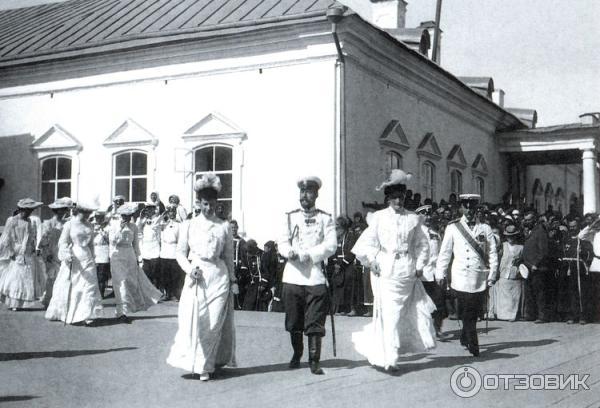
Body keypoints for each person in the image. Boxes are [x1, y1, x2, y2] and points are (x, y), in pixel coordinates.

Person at [351, 170, 435, 371]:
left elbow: (423, 245)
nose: (398, 201)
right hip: (385, 271)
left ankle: (394, 350)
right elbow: (366, 244)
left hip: (406, 270)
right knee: (390, 314)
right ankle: (390, 358)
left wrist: (420, 265)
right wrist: (373, 260)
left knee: (404, 314)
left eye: (401, 197)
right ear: (388, 199)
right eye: (394, 197)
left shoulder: (413, 219)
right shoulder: (378, 218)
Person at [166, 173, 237, 381]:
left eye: (212, 204)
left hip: (219, 277)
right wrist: (190, 269)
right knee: (195, 321)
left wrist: (232, 281)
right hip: (196, 277)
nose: (209, 208)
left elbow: (228, 257)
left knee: (214, 323)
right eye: (205, 204)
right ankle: (198, 361)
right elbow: (179, 253)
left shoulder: (224, 226)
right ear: (199, 203)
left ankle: (205, 366)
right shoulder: (188, 224)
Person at [277, 176, 337, 375]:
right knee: (294, 321)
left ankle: (314, 360)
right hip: (293, 275)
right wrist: (289, 252)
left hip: (314, 276)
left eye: (308, 192)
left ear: (316, 194)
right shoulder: (289, 216)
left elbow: (331, 245)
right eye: (302, 192)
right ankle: (297, 353)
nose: (304, 195)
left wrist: (310, 255)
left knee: (315, 320)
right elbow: (282, 242)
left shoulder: (325, 218)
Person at [436, 194, 498, 357]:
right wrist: (440, 273)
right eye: (466, 207)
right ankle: (473, 341)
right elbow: (445, 253)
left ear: (476, 209)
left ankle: (465, 334)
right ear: (461, 208)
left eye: (472, 207)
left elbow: (492, 252)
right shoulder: (453, 227)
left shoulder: (485, 228)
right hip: (461, 276)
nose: (469, 211)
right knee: (466, 309)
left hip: (478, 275)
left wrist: (492, 273)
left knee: (473, 310)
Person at [45, 200, 103, 325]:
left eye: (89, 213)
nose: (87, 215)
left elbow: (91, 244)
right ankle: (72, 313)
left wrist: (94, 258)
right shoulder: (69, 224)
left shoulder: (90, 225)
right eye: (85, 213)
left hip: (87, 257)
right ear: (78, 211)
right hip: (74, 257)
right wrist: (66, 254)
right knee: (75, 286)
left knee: (89, 285)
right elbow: (63, 242)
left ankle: (87, 314)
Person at [109, 203, 162, 323]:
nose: (126, 218)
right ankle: (121, 312)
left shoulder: (134, 227)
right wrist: (120, 229)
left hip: (130, 255)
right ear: (121, 215)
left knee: (130, 283)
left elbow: (136, 245)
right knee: (120, 283)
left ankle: (125, 309)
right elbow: (112, 241)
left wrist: (139, 258)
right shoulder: (114, 226)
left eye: (129, 216)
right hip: (117, 256)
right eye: (124, 216)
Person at [0, 198, 45, 310]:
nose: (30, 213)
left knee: (26, 277)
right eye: (28, 210)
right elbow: (6, 238)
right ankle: (14, 302)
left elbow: (30, 237)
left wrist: (34, 247)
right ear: (22, 209)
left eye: (31, 210)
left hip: (28, 252)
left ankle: (20, 302)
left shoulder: (29, 221)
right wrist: (11, 252)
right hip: (17, 251)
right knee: (16, 277)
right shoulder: (12, 220)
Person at [416, 205, 449, 340]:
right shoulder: (415, 234)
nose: (428, 217)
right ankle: (421, 330)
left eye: (429, 215)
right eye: (425, 215)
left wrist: (442, 272)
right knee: (421, 305)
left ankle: (437, 329)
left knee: (439, 302)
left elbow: (441, 254)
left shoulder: (436, 234)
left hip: (435, 273)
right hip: (421, 274)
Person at [38, 197, 73, 307]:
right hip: (51, 252)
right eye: (62, 209)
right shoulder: (48, 223)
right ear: (56, 210)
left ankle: (61, 300)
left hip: (63, 251)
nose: (64, 211)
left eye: (65, 209)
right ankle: (49, 299)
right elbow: (43, 240)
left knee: (64, 276)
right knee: (52, 276)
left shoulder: (68, 223)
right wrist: (47, 253)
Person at [489, 224, 524, 321]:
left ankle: (512, 315)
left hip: (515, 275)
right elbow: (497, 259)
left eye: (512, 236)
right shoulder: (503, 246)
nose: (510, 238)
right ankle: (502, 315)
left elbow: (522, 261)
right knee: (504, 297)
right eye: (509, 236)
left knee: (514, 297)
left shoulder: (521, 247)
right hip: (503, 274)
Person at [522, 211, 550, 323]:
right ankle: (531, 314)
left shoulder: (540, 231)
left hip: (537, 268)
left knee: (540, 293)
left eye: (529, 220)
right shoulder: (529, 231)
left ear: (535, 220)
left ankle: (542, 315)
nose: (526, 222)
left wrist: (536, 264)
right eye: (525, 219)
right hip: (528, 266)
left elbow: (544, 251)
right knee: (530, 292)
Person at [326, 216, 357, 316]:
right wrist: (336, 263)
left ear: (343, 228)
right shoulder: (337, 238)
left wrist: (342, 264)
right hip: (339, 264)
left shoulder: (350, 236)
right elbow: (333, 251)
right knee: (338, 282)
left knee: (349, 280)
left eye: (337, 227)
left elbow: (351, 253)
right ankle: (341, 307)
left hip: (348, 264)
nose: (336, 230)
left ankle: (352, 308)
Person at [577, 217, 600, 322]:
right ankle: (594, 316)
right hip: (596, 265)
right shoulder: (594, 234)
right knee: (594, 293)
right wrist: (592, 224)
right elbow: (581, 236)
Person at [242, 239, 276, 311]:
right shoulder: (247, 255)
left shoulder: (263, 255)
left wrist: (263, 284)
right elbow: (246, 269)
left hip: (260, 284)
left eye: (250, 250)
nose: (248, 253)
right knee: (248, 305)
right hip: (251, 283)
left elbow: (265, 271)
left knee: (259, 306)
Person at [137, 203, 163, 296]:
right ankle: (147, 292)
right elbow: (138, 231)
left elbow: (157, 227)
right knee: (146, 272)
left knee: (155, 271)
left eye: (150, 209)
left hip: (155, 248)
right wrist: (141, 219)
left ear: (154, 210)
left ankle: (156, 292)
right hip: (146, 248)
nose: (148, 211)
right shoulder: (142, 220)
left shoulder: (157, 219)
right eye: (147, 209)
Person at [160, 205, 185, 301]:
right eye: (170, 211)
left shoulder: (179, 224)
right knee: (165, 275)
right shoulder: (163, 223)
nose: (171, 213)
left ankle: (175, 294)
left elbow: (181, 239)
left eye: (173, 211)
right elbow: (158, 224)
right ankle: (167, 294)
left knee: (174, 275)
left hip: (174, 251)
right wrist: (163, 215)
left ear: (175, 213)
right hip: (165, 252)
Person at [92, 211, 111, 298]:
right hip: (94, 252)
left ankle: (101, 293)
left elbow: (110, 240)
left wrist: (103, 232)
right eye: (97, 217)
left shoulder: (107, 227)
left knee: (102, 275)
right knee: (94, 274)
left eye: (100, 217)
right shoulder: (92, 226)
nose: (98, 219)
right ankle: (95, 293)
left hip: (103, 252)